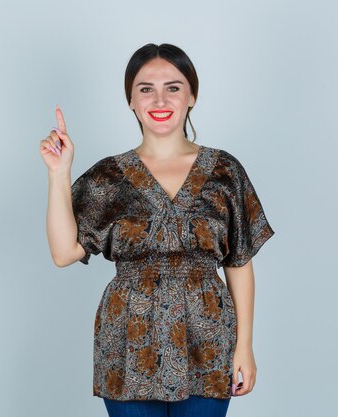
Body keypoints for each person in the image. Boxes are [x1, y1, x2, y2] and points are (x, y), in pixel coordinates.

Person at [41, 43, 275, 417]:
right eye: (146, 88)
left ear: (192, 95)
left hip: (209, 336)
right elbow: (63, 252)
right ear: (131, 100)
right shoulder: (109, 177)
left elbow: (239, 261)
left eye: (173, 86)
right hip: (128, 341)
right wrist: (58, 173)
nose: (159, 98)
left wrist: (244, 345)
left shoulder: (224, 171)